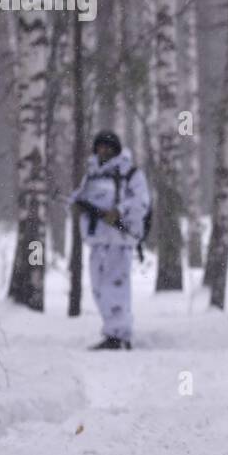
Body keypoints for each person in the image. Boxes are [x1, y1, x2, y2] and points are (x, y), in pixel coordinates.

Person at [69, 131, 150, 351]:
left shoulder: (130, 174)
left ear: (116, 150)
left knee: (115, 286)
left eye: (108, 147)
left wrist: (119, 212)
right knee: (98, 289)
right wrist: (76, 204)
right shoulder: (92, 175)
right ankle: (112, 330)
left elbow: (141, 202)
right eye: (100, 147)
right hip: (97, 241)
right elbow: (80, 197)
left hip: (119, 240)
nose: (103, 151)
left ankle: (120, 334)